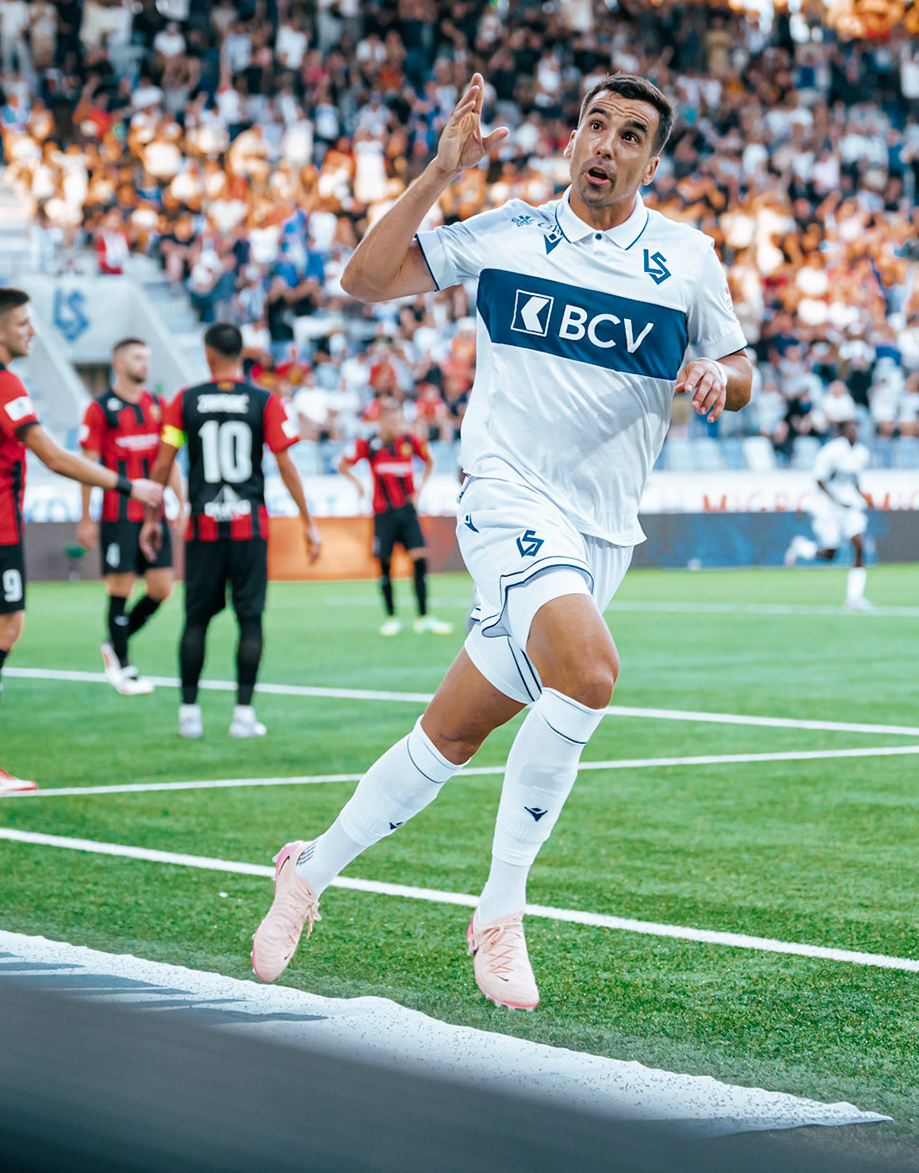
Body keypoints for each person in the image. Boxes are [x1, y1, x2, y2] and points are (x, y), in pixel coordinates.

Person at [248, 72, 752, 1010]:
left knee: (449, 735)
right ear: (573, 138)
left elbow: (739, 361)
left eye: (630, 135)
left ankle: (308, 871)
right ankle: (501, 909)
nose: (606, 144)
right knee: (589, 673)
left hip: (602, 532)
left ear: (651, 162)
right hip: (504, 497)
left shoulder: (685, 259)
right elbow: (364, 280)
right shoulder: (510, 233)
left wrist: (723, 379)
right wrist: (440, 172)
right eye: (595, 124)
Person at [0, 288, 166, 793]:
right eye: (23, 323)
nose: (32, 331)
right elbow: (55, 457)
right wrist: (127, 484)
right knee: (0, 635)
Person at [142, 322, 323, 742]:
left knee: (195, 621)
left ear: (208, 354)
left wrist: (152, 518)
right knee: (250, 620)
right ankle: (243, 714)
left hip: (204, 530)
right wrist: (308, 522)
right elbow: (286, 464)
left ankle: (189, 715)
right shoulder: (265, 401)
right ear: (242, 354)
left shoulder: (184, 400)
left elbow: (164, 461)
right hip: (249, 529)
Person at [78, 338, 177, 695]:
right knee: (120, 588)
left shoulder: (159, 406)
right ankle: (123, 666)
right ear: (118, 363)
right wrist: (86, 517)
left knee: (161, 588)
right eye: (137, 357)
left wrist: (182, 502)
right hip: (118, 514)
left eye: (147, 357)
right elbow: (87, 466)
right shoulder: (99, 409)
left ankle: (112, 643)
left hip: (154, 515)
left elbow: (168, 460)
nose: (144, 363)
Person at [338, 400, 450, 636]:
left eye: (399, 420)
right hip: (383, 512)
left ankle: (423, 617)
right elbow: (342, 465)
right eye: (392, 420)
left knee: (420, 559)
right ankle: (391, 618)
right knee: (385, 563)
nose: (397, 425)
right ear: (381, 421)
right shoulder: (369, 444)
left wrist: (419, 489)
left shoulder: (409, 441)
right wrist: (358, 484)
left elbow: (430, 460)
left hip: (407, 511)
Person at [784, 417, 873, 610]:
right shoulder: (831, 451)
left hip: (850, 506)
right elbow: (819, 480)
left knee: (859, 546)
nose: (854, 432)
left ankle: (854, 598)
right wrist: (837, 501)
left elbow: (854, 479)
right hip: (828, 507)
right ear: (842, 431)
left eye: (856, 428)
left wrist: (862, 495)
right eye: (850, 428)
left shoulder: (861, 452)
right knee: (829, 554)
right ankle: (800, 547)